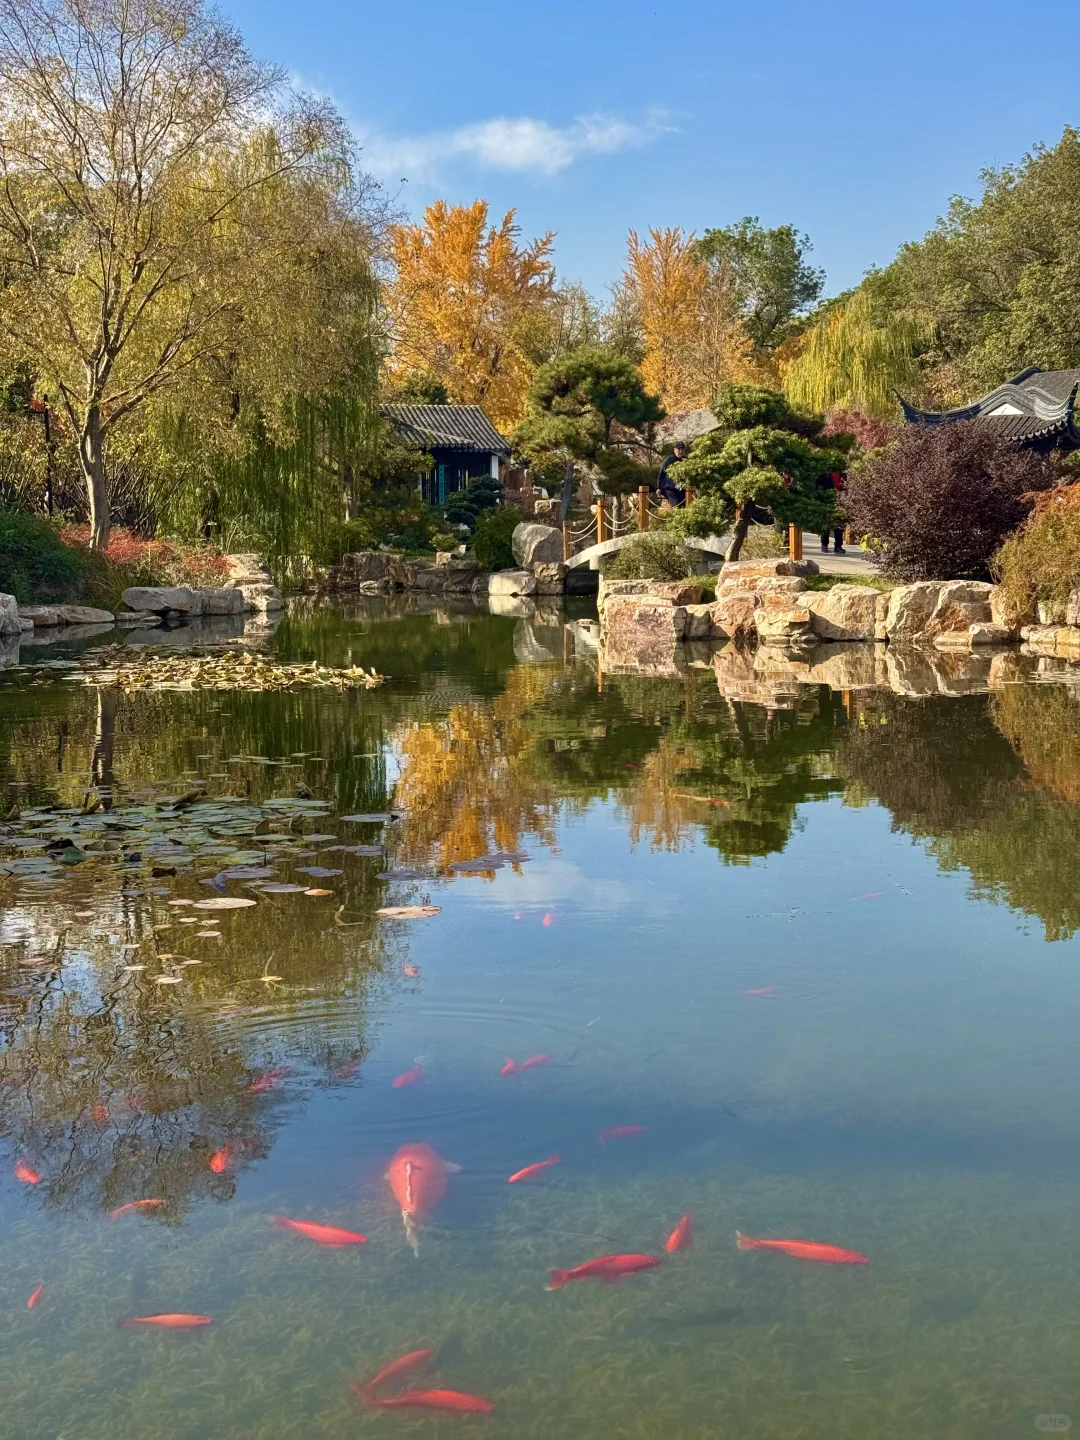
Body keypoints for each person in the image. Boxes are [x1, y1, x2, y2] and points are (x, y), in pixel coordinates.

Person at [816, 470, 846, 554]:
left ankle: (838, 546)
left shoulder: (843, 475)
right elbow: (818, 488)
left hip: (840, 502)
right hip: (826, 502)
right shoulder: (824, 474)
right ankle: (824, 544)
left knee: (839, 525)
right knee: (826, 524)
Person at [657, 440, 687, 508]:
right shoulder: (669, 460)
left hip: (682, 489)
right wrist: (658, 487)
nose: (680, 451)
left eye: (682, 449)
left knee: (686, 506)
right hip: (670, 489)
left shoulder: (686, 460)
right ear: (675, 450)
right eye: (679, 449)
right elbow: (662, 473)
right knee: (677, 506)